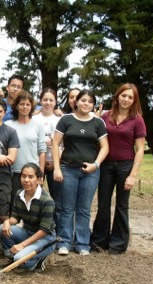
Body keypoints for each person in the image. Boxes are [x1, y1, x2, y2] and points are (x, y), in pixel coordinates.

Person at [91, 83, 146, 254]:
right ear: (118, 96)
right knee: (103, 204)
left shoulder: (137, 120)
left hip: (125, 166)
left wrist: (133, 175)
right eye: (124, 95)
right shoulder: (106, 116)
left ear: (134, 100)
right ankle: (100, 241)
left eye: (130, 97)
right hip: (106, 165)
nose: (126, 99)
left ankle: (118, 243)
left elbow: (140, 149)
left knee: (122, 205)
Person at [52, 89, 109, 256]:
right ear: (76, 102)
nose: (86, 104)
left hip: (90, 172)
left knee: (84, 208)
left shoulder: (98, 123)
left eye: (90, 102)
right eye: (83, 100)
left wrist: (96, 165)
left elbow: (105, 147)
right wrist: (57, 167)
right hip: (68, 169)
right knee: (67, 208)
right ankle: (64, 242)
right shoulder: (66, 120)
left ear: (93, 105)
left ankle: (83, 243)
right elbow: (55, 144)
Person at [0, 163, 56, 271]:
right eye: (23, 176)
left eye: (31, 177)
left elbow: (44, 230)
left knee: (21, 260)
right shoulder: (19, 194)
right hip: (27, 234)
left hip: (45, 239)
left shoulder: (47, 201)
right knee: (1, 228)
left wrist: (22, 245)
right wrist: (7, 221)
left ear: (39, 179)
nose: (26, 180)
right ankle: (15, 257)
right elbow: (15, 218)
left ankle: (39, 259)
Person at [5, 90, 46, 211]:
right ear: (16, 106)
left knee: (33, 208)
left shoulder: (38, 125)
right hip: (14, 172)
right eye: (22, 104)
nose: (24, 107)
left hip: (33, 173)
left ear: (32, 106)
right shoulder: (8, 125)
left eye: (28, 104)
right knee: (14, 207)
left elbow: (42, 151)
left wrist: (41, 174)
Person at [33, 88, 61, 228]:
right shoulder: (34, 118)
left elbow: (65, 142)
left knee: (57, 199)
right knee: (37, 198)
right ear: (40, 100)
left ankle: (56, 228)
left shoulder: (60, 119)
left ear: (56, 102)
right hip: (37, 164)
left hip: (57, 164)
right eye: (45, 99)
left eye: (51, 100)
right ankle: (37, 228)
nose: (48, 103)